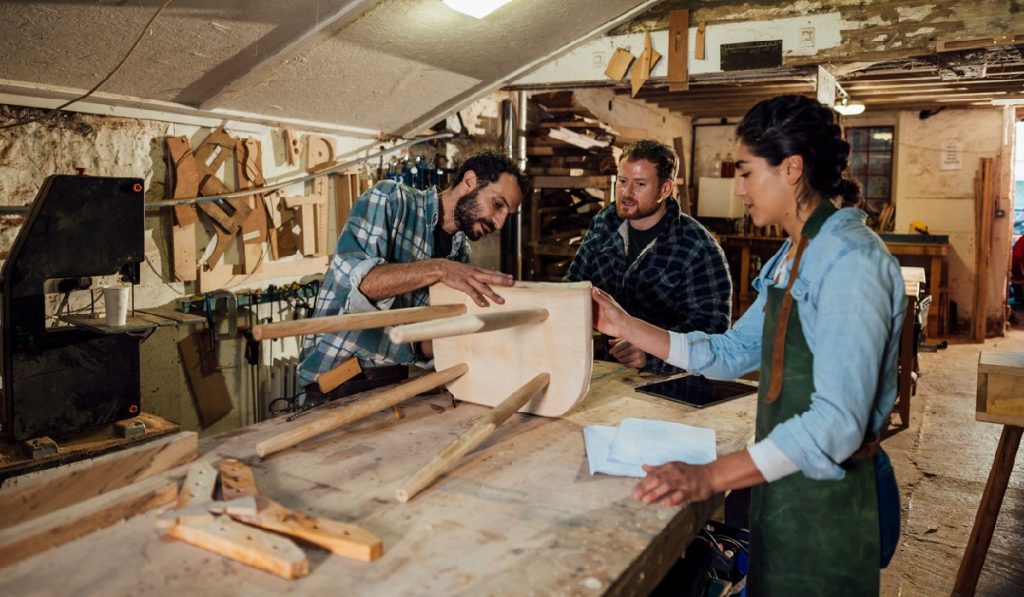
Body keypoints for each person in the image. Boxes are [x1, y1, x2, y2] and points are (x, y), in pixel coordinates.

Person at [591, 96, 905, 594]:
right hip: (782, 480)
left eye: (746, 172)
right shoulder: (794, 252)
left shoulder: (851, 261)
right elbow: (732, 352)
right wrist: (626, 325)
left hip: (833, 498)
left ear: (792, 168)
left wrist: (710, 477)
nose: (737, 190)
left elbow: (838, 425)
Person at [297, 150, 529, 394]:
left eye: (507, 214)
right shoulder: (391, 200)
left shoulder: (460, 253)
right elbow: (363, 285)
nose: (500, 223)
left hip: (392, 383)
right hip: (332, 380)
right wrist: (439, 269)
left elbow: (419, 342)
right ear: (469, 181)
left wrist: (480, 337)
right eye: (497, 205)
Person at [564, 139, 731, 374]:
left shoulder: (699, 248)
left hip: (666, 380)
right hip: (601, 369)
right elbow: (573, 286)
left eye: (640, 184)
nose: (626, 193)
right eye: (622, 181)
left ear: (665, 189)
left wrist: (651, 353)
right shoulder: (604, 223)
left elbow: (712, 332)